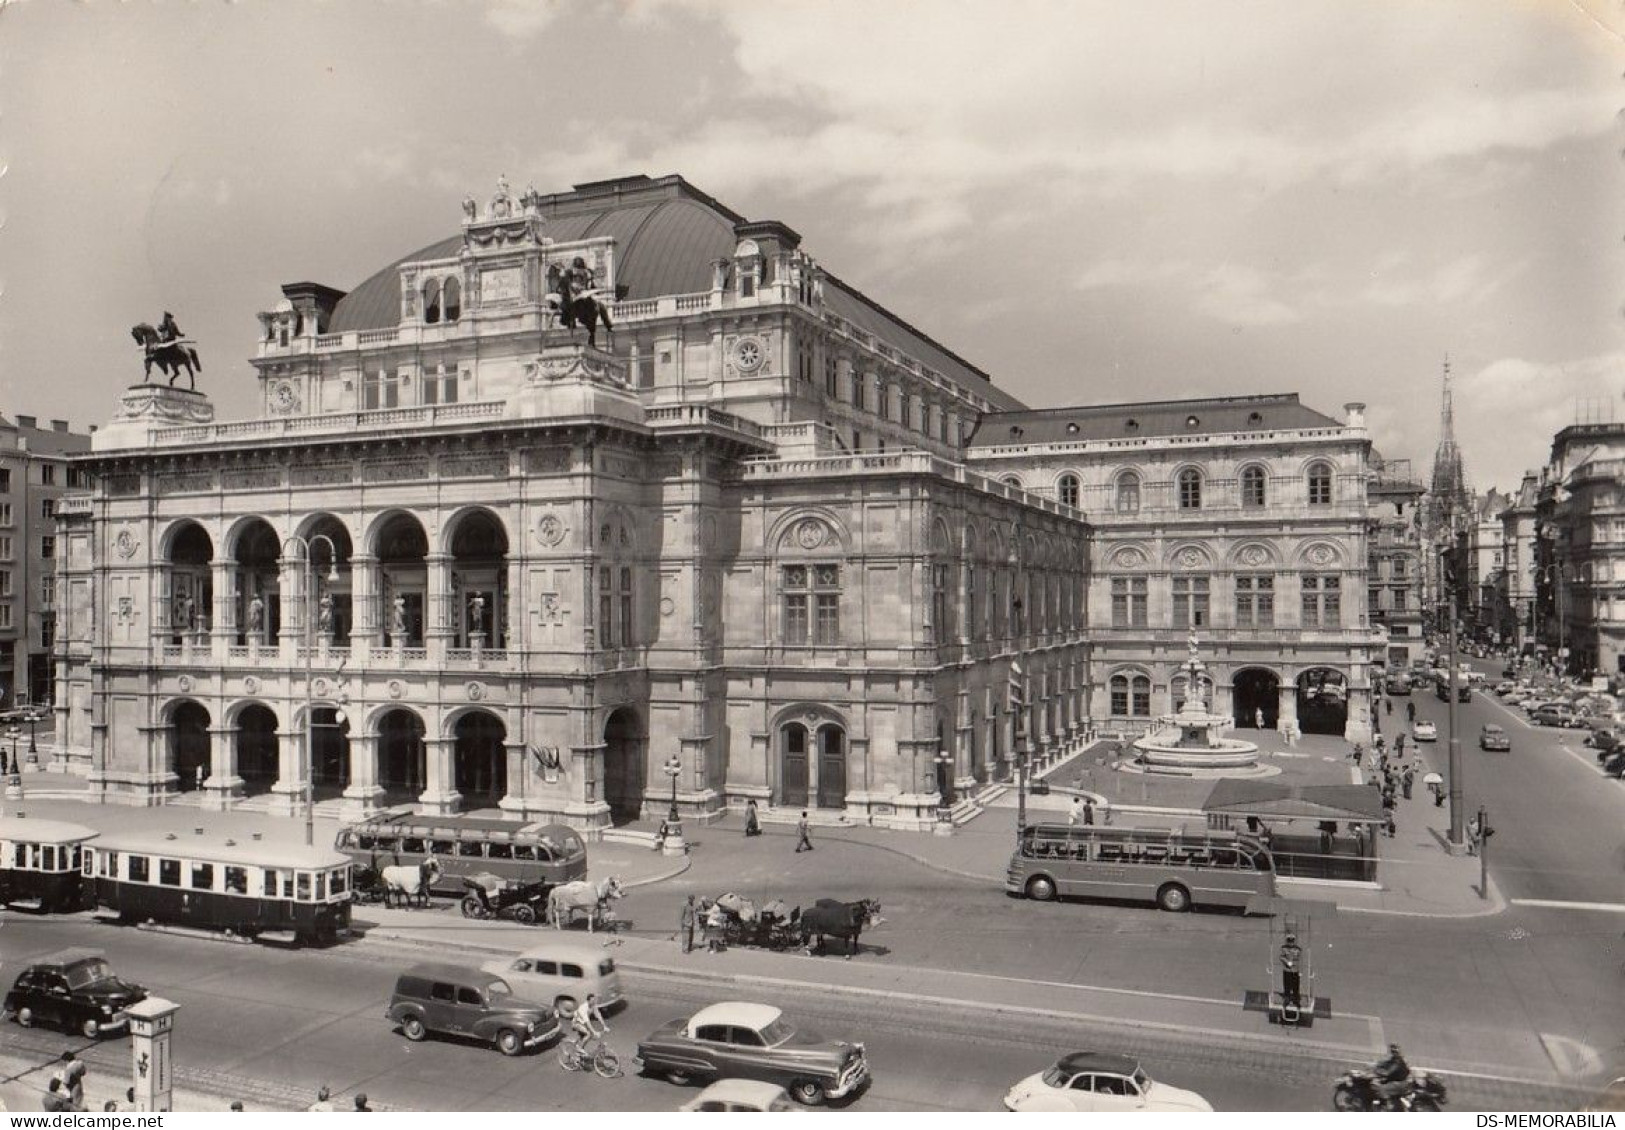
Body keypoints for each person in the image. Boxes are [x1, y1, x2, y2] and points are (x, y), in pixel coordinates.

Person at [1372, 1043, 1413, 1108]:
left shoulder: (1399, 1061)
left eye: (1395, 1051)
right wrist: (1377, 1065)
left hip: (1400, 1083)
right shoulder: (1394, 1059)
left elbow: (1389, 1072)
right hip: (1399, 1081)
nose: (1393, 1052)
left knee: (1381, 1088)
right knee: (1380, 1084)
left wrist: (1378, 1072)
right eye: (1392, 1051)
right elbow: (1386, 1063)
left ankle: (1387, 1106)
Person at [1278, 932, 1304, 1007]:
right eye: (1289, 941)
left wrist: (1301, 971)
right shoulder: (1284, 948)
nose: (1291, 943)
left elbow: (1300, 960)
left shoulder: (1298, 949)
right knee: (1287, 985)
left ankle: (1296, 999)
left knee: (1296, 985)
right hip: (1287, 970)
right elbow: (1281, 957)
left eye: (1292, 941)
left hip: (1295, 970)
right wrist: (1287, 962)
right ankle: (1287, 998)